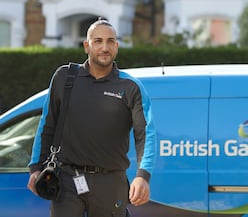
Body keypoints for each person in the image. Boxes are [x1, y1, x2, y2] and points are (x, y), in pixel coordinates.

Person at [27, 17, 156, 217]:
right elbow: (47, 124)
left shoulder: (131, 87)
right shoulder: (64, 77)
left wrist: (143, 176)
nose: (105, 47)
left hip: (111, 182)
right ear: (86, 46)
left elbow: (145, 134)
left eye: (110, 41)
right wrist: (36, 167)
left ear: (117, 46)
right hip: (67, 180)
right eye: (98, 41)